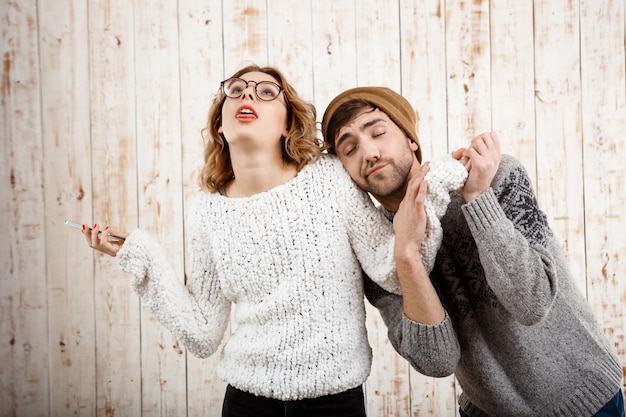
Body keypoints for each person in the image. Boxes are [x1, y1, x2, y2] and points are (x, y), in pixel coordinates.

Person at [79, 64, 442, 417]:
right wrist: (141, 256)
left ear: (287, 125)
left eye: (266, 92)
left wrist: (437, 186)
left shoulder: (331, 179)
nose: (247, 94)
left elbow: (393, 269)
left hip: (334, 402)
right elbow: (203, 333)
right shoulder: (207, 211)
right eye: (235, 91)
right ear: (220, 124)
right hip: (246, 402)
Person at [321, 86, 625, 417]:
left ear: (411, 139)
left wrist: (478, 197)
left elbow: (533, 302)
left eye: (378, 133)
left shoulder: (494, 177)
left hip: (587, 401)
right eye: (349, 149)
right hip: (487, 410)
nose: (369, 153)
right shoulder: (377, 253)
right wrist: (406, 255)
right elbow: (436, 360)